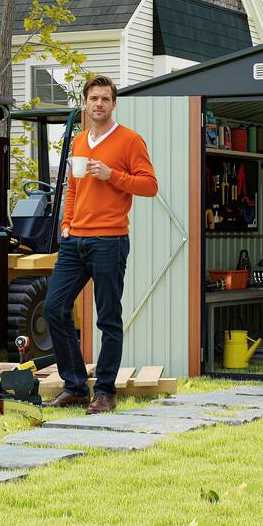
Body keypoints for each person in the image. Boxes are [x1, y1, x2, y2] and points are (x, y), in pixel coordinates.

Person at [44, 75, 158, 414]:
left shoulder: (130, 140)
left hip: (109, 240)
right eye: (93, 98)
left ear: (113, 103)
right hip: (74, 241)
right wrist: (66, 224)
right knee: (54, 308)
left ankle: (105, 392)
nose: (99, 104)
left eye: (105, 99)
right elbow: (73, 188)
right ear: (85, 102)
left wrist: (113, 175)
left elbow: (149, 186)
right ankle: (76, 386)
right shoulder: (80, 141)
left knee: (108, 318)